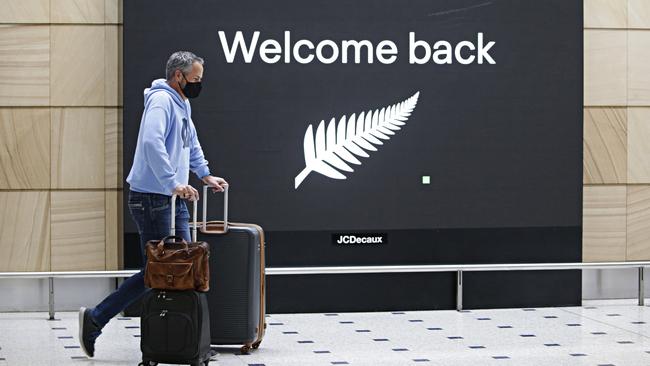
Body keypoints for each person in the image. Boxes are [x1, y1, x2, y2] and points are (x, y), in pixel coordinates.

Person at [78, 51, 228, 358]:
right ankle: (97, 318)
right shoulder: (161, 102)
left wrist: (205, 174)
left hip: (173, 197)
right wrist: (173, 181)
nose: (199, 85)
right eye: (195, 79)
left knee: (180, 268)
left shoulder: (182, 102)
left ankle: (190, 341)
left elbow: (191, 143)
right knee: (162, 269)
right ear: (178, 77)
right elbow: (151, 142)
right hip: (153, 198)